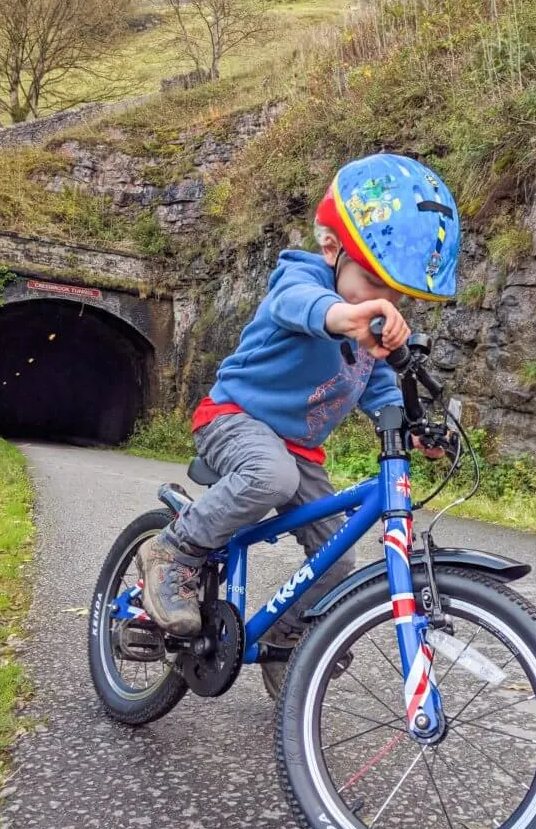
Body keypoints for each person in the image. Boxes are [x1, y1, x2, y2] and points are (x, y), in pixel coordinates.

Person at [136, 152, 461, 696]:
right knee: (272, 476)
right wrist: (343, 314)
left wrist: (415, 429)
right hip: (235, 419)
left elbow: (379, 390)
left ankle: (288, 640)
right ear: (333, 249)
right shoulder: (303, 276)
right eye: (373, 284)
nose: (385, 303)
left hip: (299, 451)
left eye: (398, 295)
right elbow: (299, 304)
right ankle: (173, 548)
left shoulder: (369, 329)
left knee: (339, 558)